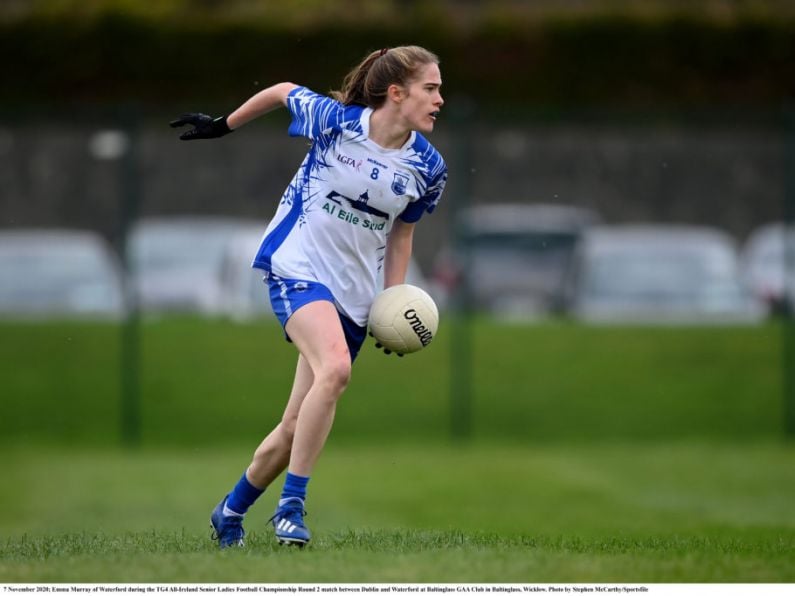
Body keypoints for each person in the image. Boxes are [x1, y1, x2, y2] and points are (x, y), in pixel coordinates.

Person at [170, 45, 447, 548]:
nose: (439, 99)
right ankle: (291, 507)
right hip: (296, 265)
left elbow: (401, 236)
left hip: (356, 295)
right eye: (430, 88)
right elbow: (280, 91)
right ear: (396, 93)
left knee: (296, 425)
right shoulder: (335, 120)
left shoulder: (428, 168)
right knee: (335, 369)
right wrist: (223, 125)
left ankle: (229, 511)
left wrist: (391, 304)